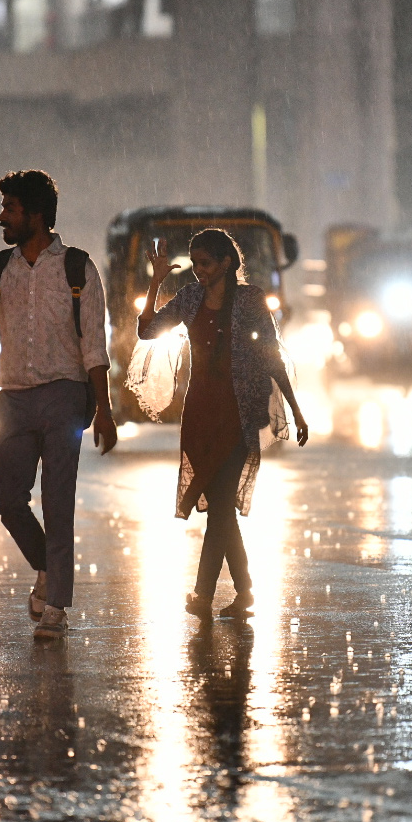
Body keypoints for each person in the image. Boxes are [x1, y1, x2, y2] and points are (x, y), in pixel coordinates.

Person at [0, 169, 118, 641]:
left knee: (58, 500)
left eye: (9, 209)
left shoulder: (79, 269)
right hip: (12, 399)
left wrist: (106, 411)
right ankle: (48, 569)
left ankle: (55, 608)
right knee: (8, 499)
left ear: (35, 214)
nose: (1, 217)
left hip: (65, 396)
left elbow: (94, 346)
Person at [132, 228, 308, 619]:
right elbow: (146, 330)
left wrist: (296, 409)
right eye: (195, 264)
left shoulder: (249, 300)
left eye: (206, 263)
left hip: (237, 414)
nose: (199, 272)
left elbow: (271, 356)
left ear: (226, 263)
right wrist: (156, 281)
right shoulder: (191, 298)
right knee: (221, 510)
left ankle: (203, 596)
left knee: (222, 507)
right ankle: (243, 591)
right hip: (199, 416)